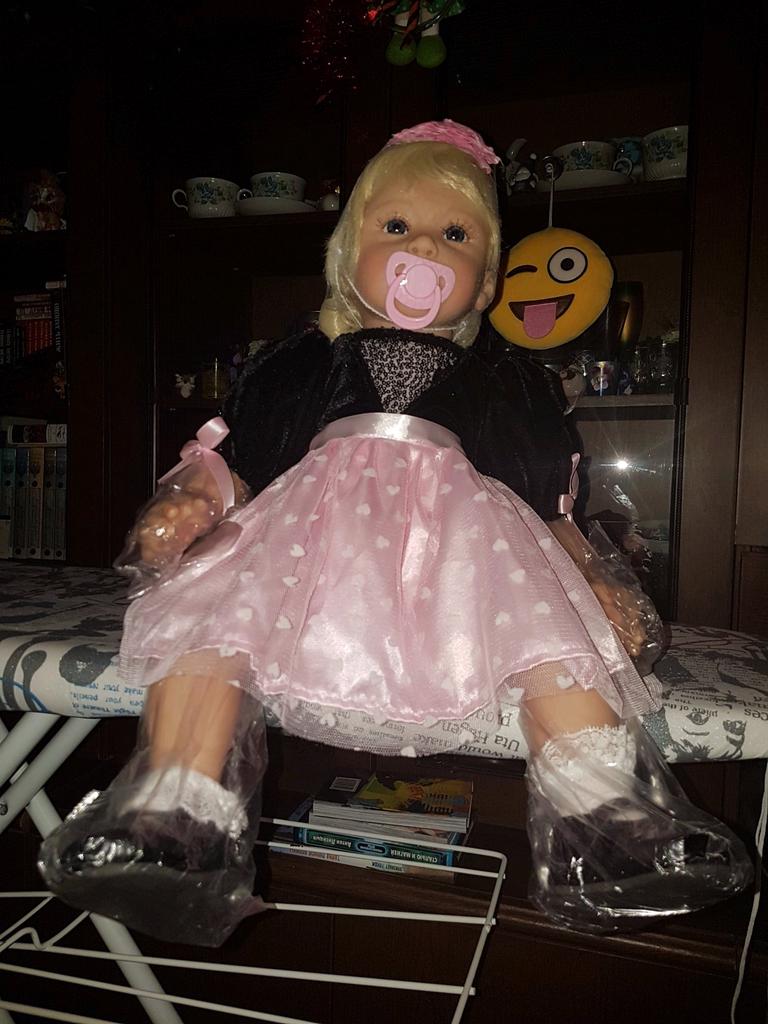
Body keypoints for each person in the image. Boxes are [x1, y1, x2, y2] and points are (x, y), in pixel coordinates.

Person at [39, 120, 752, 946]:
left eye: (456, 235)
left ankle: (611, 817)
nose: (424, 250)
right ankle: (172, 809)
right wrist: (194, 498)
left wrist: (591, 578)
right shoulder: (308, 359)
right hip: (309, 534)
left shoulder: (501, 377)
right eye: (398, 226)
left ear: (486, 283)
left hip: (461, 548)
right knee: (215, 630)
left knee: (550, 643)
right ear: (350, 255)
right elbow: (245, 453)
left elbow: (542, 495)